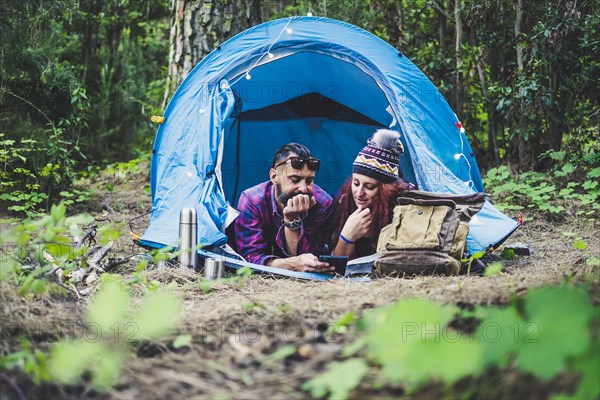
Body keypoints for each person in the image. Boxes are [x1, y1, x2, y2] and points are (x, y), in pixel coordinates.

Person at [234, 143, 334, 272]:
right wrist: (292, 264)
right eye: (294, 179)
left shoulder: (323, 204)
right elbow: (250, 258)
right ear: (274, 177)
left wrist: (293, 221)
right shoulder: (252, 201)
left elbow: (309, 262)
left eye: (309, 181)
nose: (303, 188)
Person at [328, 129, 413, 259]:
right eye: (355, 183)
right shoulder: (344, 203)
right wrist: (346, 237)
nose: (359, 193)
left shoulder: (403, 210)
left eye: (369, 187)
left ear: (387, 190)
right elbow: (338, 266)